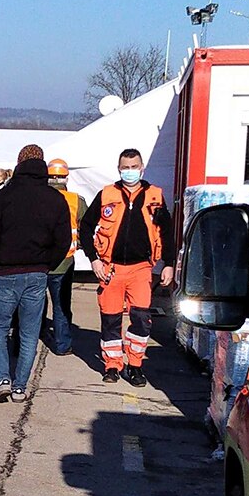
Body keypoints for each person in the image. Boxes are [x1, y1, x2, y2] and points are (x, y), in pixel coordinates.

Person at [0, 155, 71, 403]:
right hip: (37, 273)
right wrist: (48, 264)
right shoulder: (56, 200)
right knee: (30, 333)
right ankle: (20, 386)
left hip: (6, 271)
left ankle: (2, 380)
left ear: (18, 168)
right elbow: (64, 240)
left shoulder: (1, 198)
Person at [79, 148, 174, 386]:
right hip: (111, 269)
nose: (129, 171)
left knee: (141, 319)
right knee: (110, 319)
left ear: (141, 168)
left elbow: (168, 232)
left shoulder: (155, 195)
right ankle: (112, 365)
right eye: (125, 167)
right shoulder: (107, 194)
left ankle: (135, 366)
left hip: (141, 269)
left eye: (134, 167)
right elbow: (86, 227)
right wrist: (94, 259)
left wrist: (169, 264)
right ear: (118, 168)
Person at [43, 158, 85, 358]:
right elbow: (86, 226)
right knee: (61, 306)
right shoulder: (76, 200)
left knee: (34, 305)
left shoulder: (39, 197)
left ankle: (32, 338)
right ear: (66, 176)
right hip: (65, 262)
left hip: (40, 261)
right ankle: (63, 345)